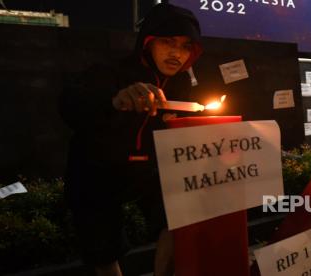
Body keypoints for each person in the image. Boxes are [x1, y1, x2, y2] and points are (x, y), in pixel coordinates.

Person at [59, 3, 203, 276]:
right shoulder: (110, 71)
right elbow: (70, 103)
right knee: (102, 246)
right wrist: (114, 100)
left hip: (148, 169)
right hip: (97, 169)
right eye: (168, 41)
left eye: (186, 46)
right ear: (148, 41)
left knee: (181, 213)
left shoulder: (181, 83)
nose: (177, 53)